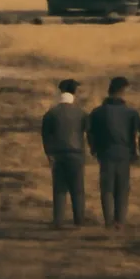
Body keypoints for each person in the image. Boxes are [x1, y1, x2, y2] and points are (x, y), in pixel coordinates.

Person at [88, 76, 140, 230]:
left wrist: (94, 149)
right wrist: (138, 152)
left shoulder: (97, 112)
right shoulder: (131, 113)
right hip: (125, 154)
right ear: (123, 90)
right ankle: (120, 221)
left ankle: (108, 221)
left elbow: (90, 133)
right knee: (122, 189)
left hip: (105, 154)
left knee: (107, 189)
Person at [41, 78, 88, 228]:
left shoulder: (51, 113)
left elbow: (45, 135)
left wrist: (49, 153)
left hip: (58, 154)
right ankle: (79, 220)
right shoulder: (81, 113)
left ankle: (58, 220)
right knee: (77, 189)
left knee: (59, 189)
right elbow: (88, 132)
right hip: (76, 153)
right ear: (74, 93)